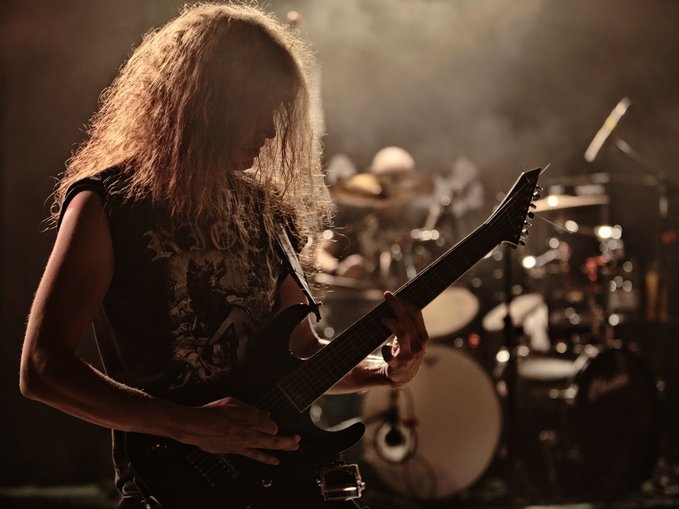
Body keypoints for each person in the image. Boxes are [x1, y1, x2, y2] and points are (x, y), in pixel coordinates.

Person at [19, 4, 429, 509]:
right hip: (170, 490)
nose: (270, 132)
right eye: (257, 110)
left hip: (277, 484)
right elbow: (42, 368)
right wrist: (190, 425)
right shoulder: (108, 203)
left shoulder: (267, 212)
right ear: (206, 102)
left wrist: (384, 370)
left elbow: (302, 354)